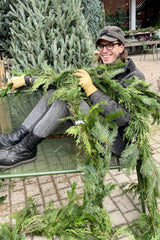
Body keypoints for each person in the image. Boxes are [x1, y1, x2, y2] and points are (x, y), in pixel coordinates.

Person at [0, 26, 145, 169]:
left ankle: (26, 148)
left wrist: (91, 90)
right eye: (101, 46)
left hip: (110, 141)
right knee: (53, 93)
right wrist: (28, 80)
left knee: (67, 99)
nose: (104, 50)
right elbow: (64, 81)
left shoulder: (135, 77)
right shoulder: (101, 71)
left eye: (110, 45)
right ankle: (16, 139)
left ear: (121, 47)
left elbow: (124, 117)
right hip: (92, 124)